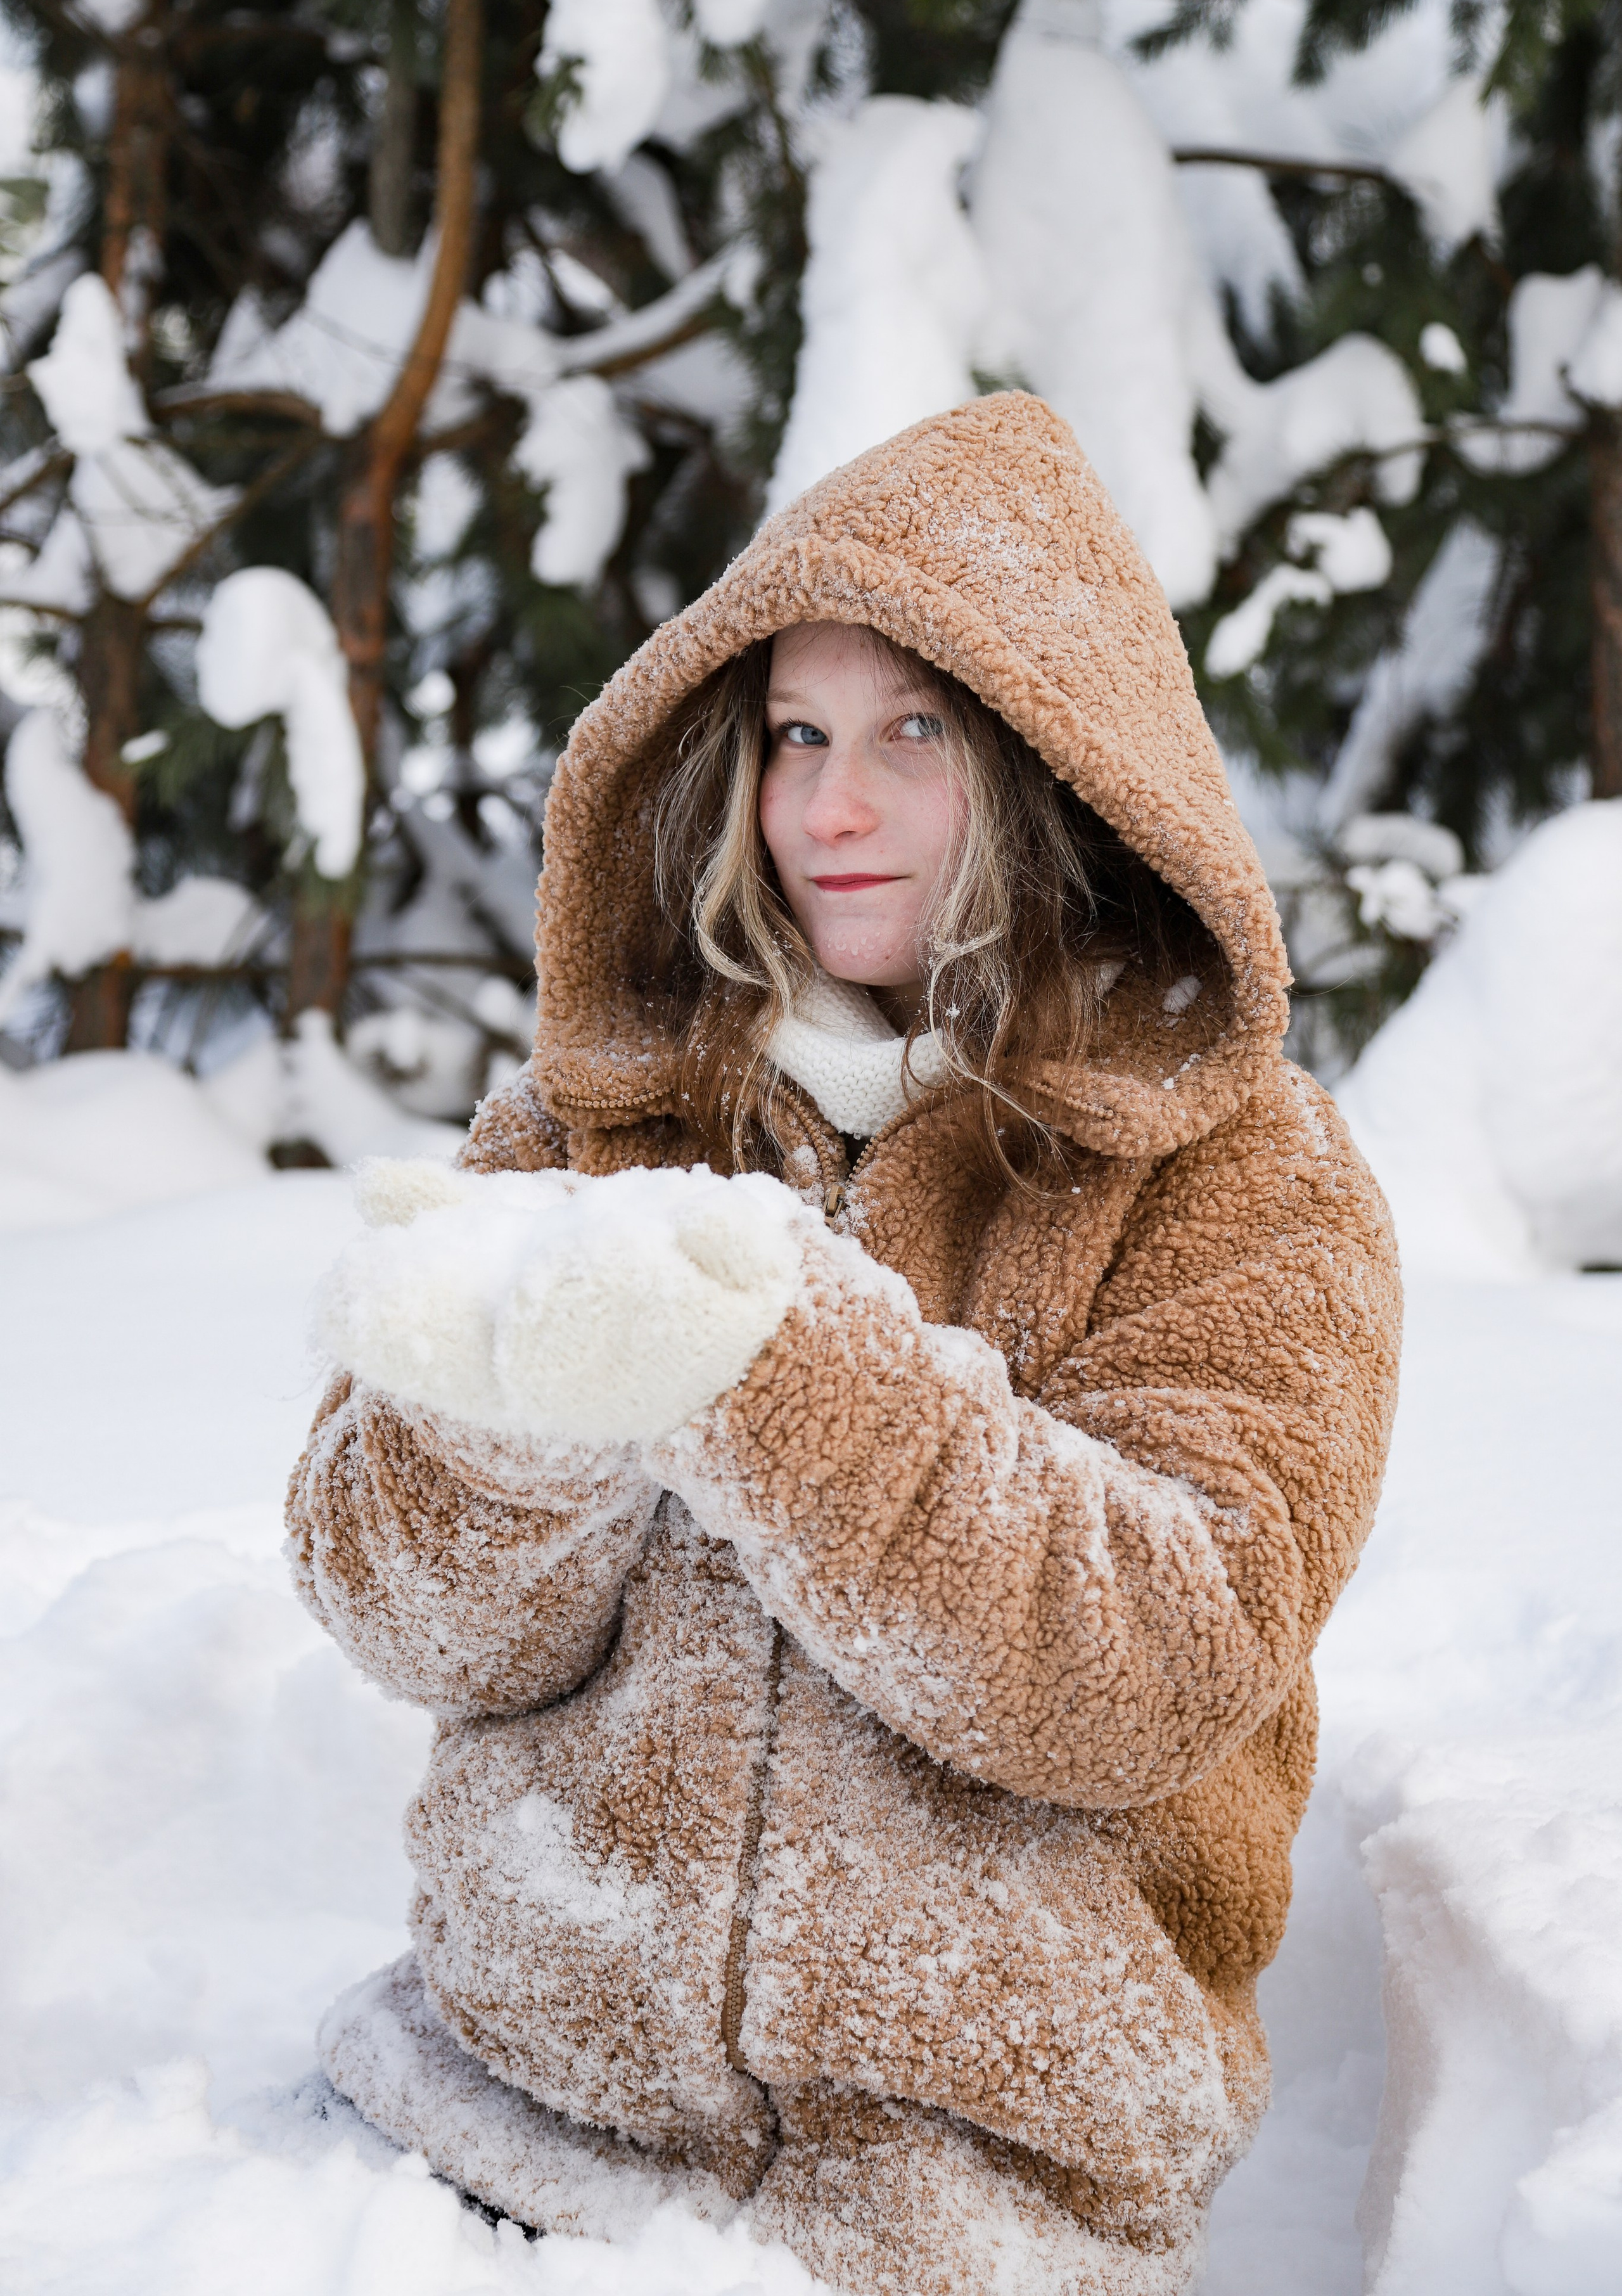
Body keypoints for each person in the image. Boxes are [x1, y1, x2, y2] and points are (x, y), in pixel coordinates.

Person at [289, 393, 1401, 2295]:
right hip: (477, 2140)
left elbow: (1150, 1660)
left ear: (1060, 759)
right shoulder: (593, 1113)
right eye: (796, 735)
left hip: (968, 2219)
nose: (828, 810)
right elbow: (389, 1603)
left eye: (912, 736)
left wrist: (770, 1366)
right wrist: (509, 1422)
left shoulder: (1240, 1172)